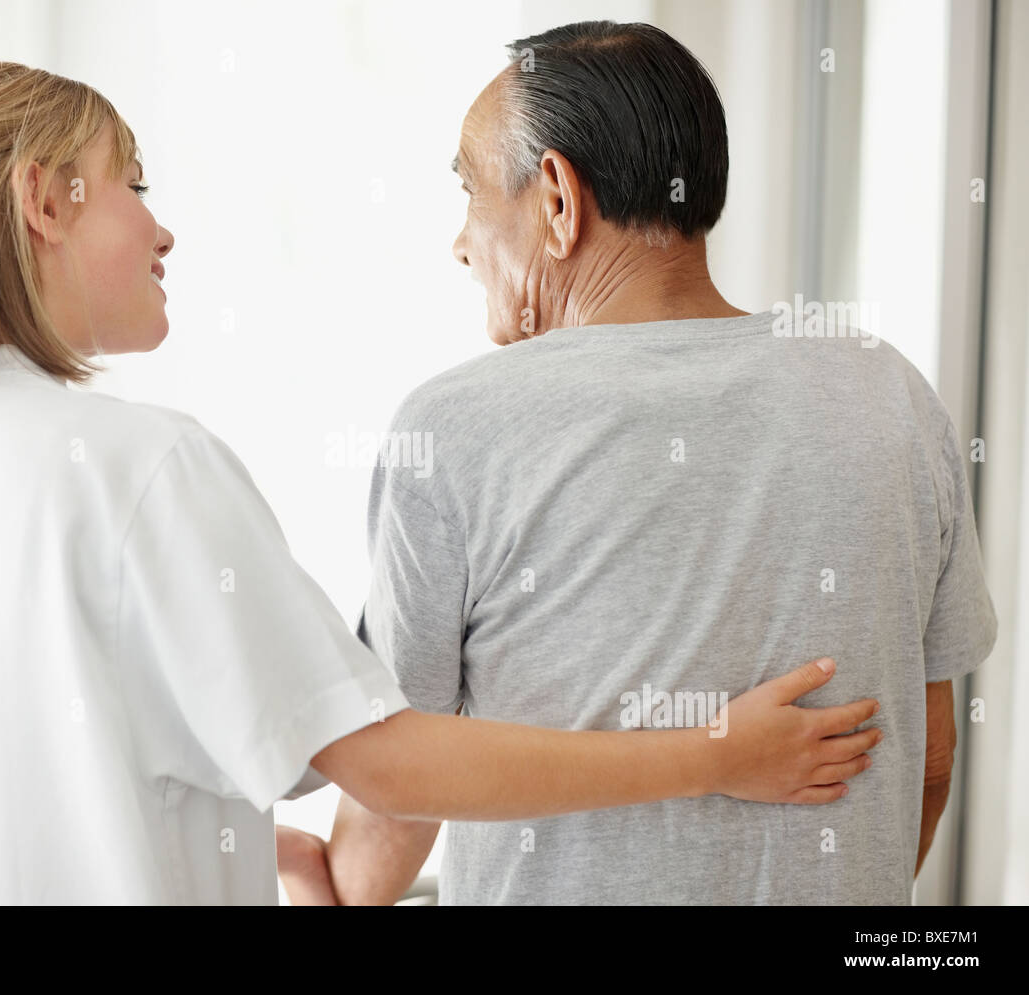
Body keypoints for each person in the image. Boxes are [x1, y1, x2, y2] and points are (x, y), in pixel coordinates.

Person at [0, 61, 880, 905]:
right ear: (44, 200)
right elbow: (390, 764)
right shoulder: (132, 465)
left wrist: (228, 831)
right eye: (134, 180)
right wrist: (715, 752)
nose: (161, 226)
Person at [276, 21, 997, 907]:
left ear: (556, 199)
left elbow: (398, 781)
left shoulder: (455, 430)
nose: (459, 245)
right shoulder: (891, 394)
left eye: (468, 193)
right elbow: (930, 759)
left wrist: (332, 889)